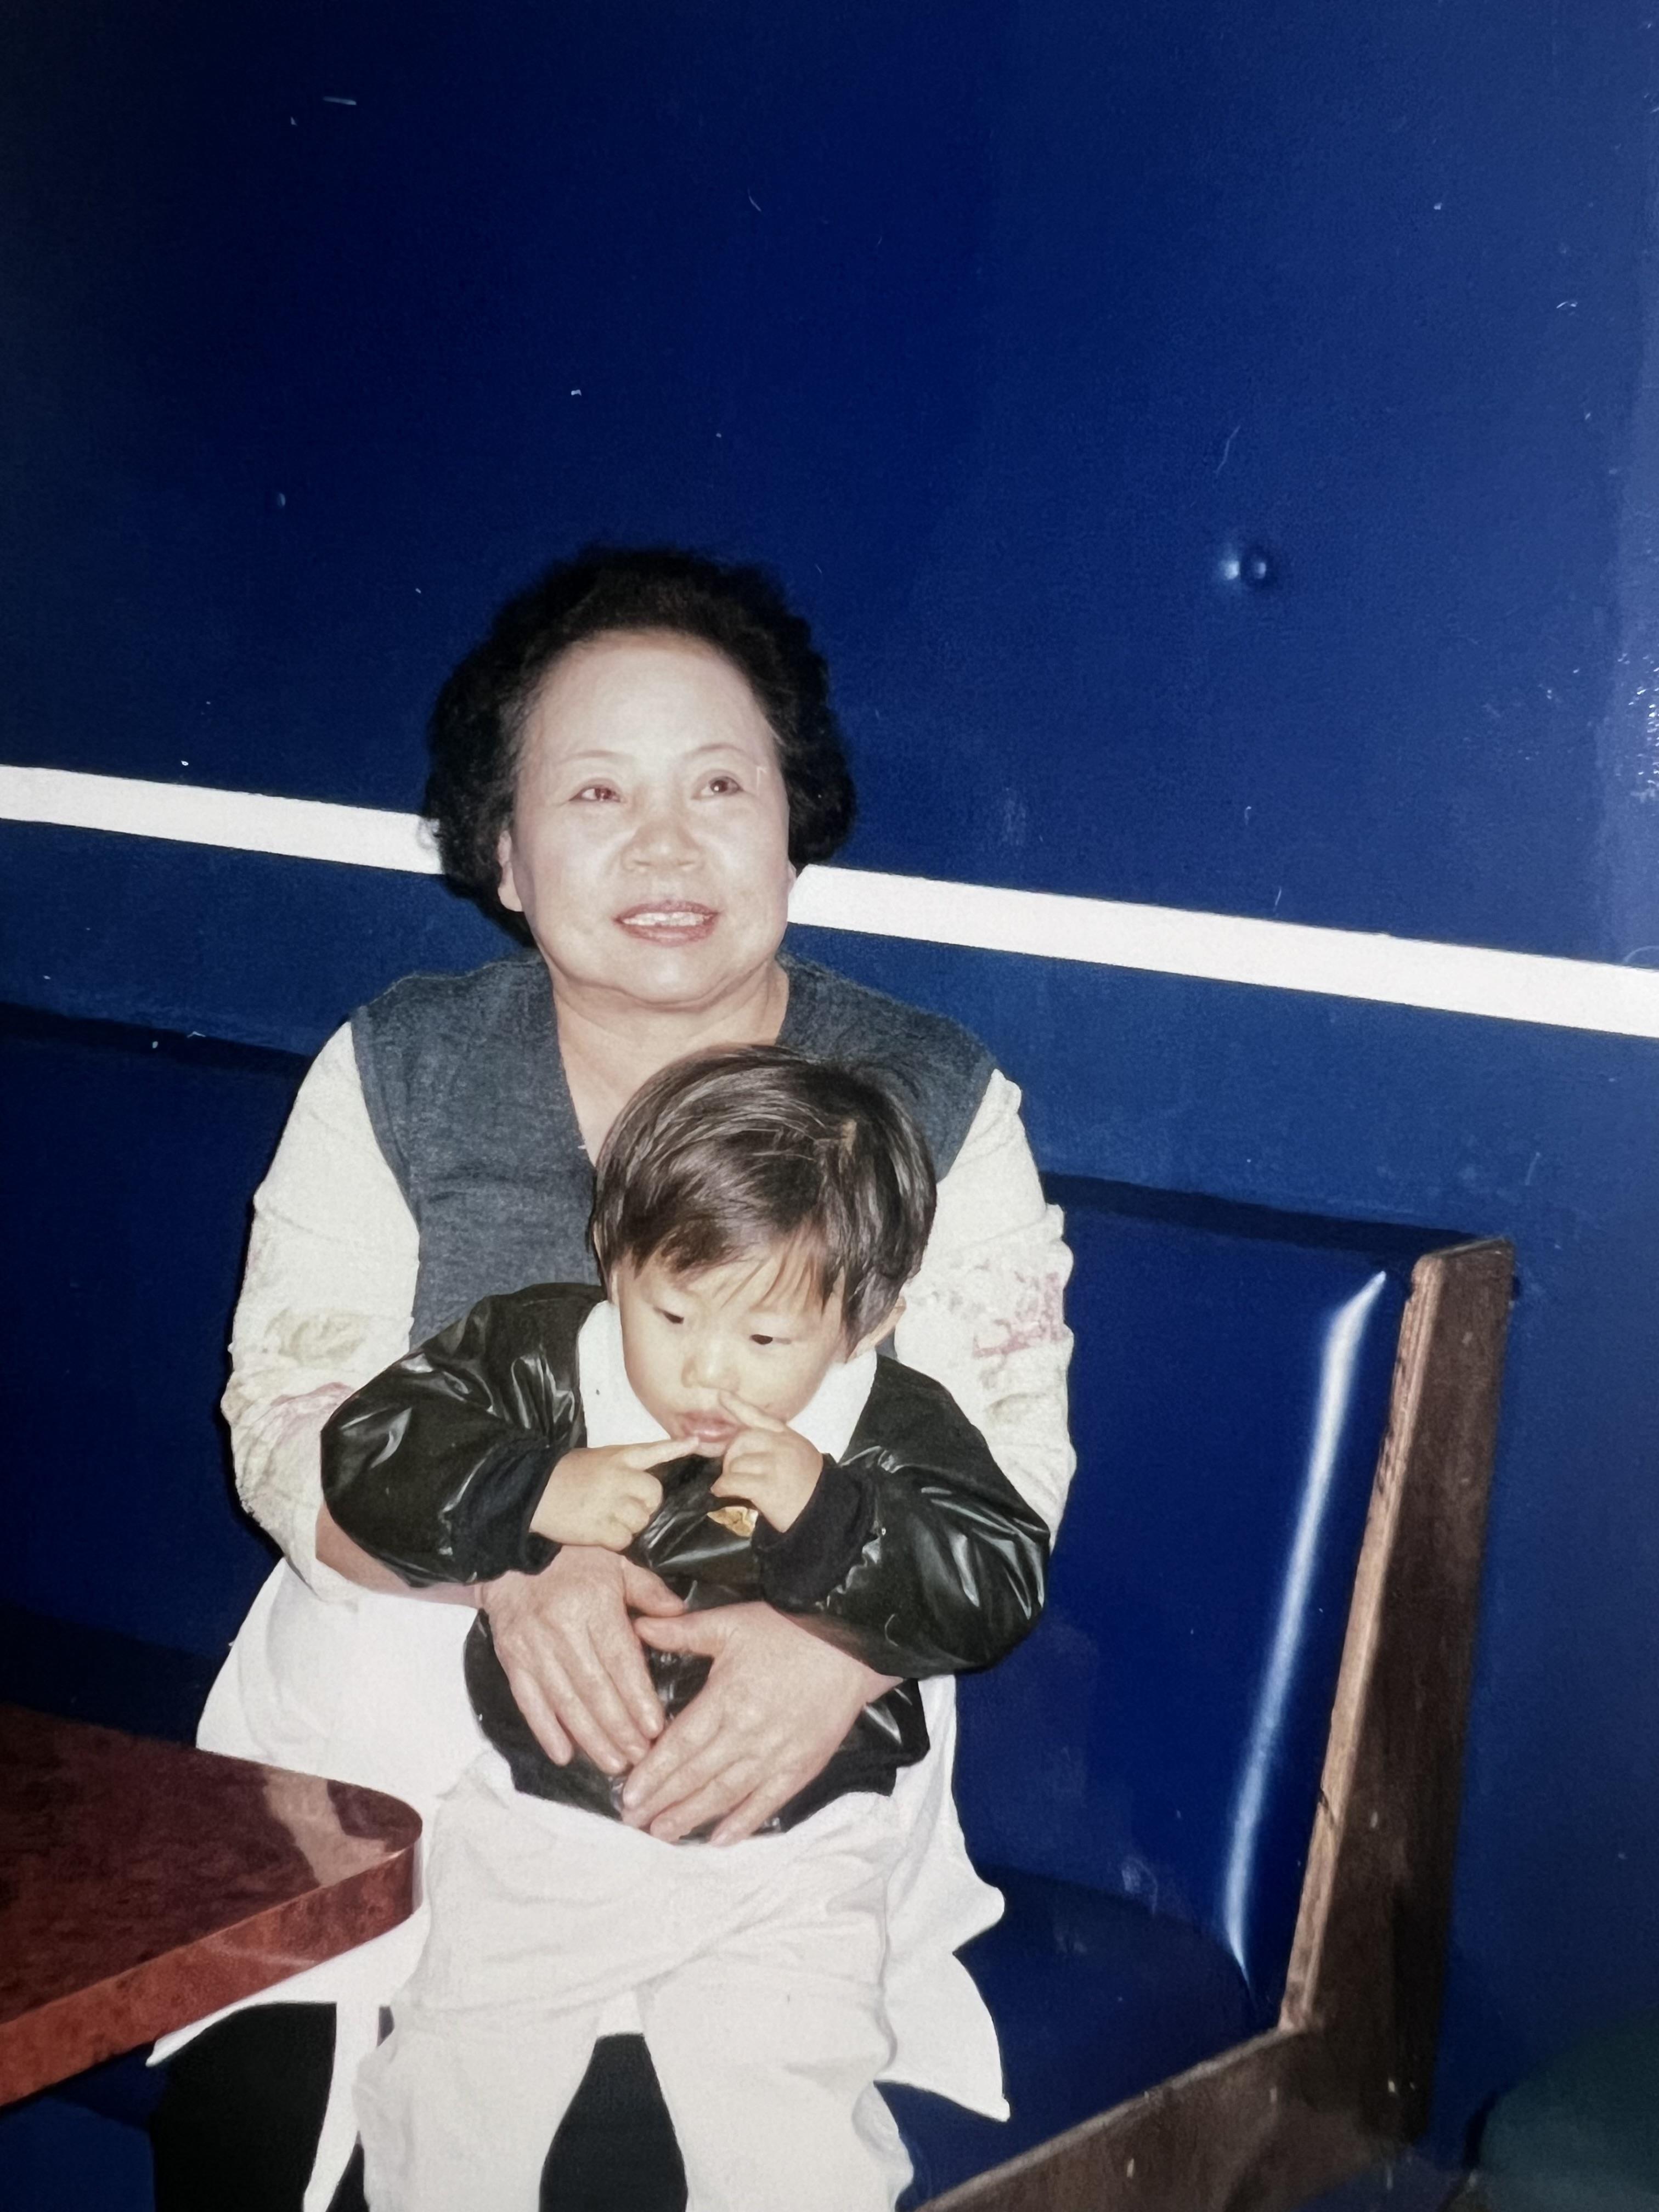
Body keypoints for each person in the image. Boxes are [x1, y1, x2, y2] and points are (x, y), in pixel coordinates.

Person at [148, 545, 1075, 2212]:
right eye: (594, 792)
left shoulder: (936, 1099)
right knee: (273, 2139)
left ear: (797, 820)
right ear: (503, 851)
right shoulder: (399, 1069)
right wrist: (508, 1557)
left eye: (722, 784)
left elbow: (1008, 1476)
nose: (666, 843)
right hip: (382, 1722)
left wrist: (828, 1653)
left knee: (654, 2160)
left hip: (775, 1755)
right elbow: (287, 1431)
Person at [323, 1046, 1049, 2211]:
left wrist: (838, 1515)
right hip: (542, 1822)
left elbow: (997, 1581)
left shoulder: (890, 1422)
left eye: (767, 1341)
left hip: (794, 1849)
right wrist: (527, 1493)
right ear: (613, 1260)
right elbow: (368, 1452)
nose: (706, 1370)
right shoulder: (542, 1353)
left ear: (867, 1323)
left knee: (785, 2126)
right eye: (668, 1312)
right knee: (454, 2093)